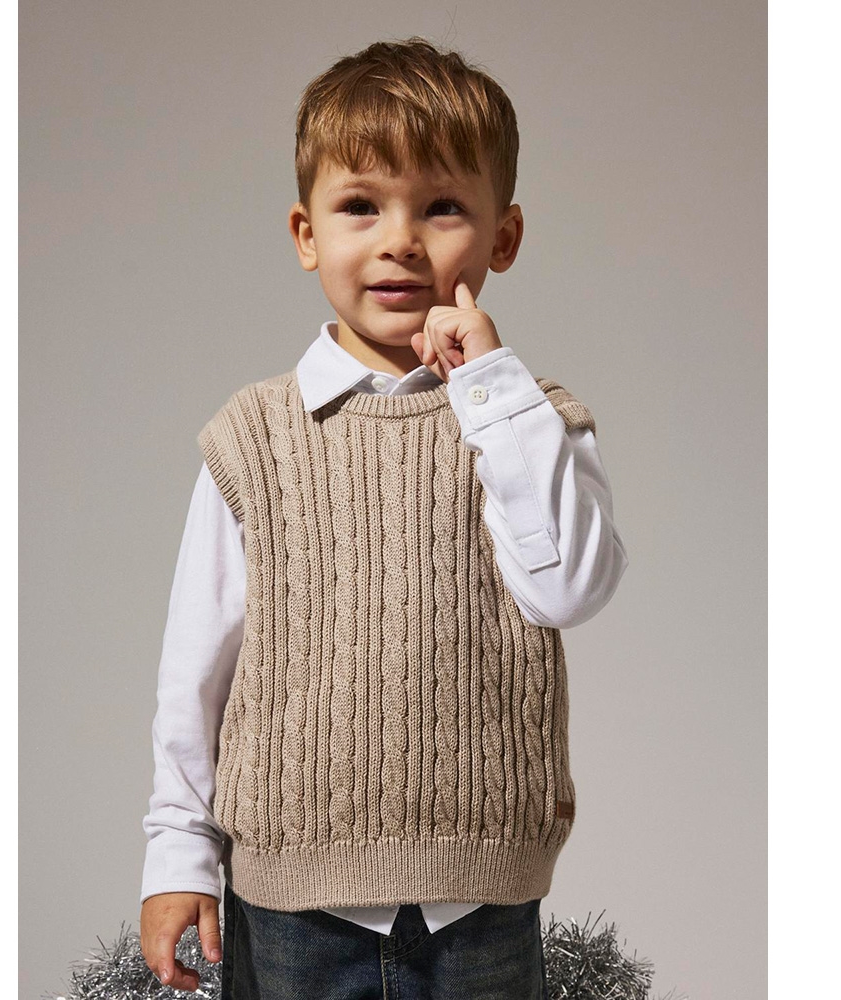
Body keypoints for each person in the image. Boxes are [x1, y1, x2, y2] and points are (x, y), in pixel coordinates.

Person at [139, 36, 628, 1000]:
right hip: (291, 910)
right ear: (306, 234)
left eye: (442, 207)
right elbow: (196, 669)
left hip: (483, 905)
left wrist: (492, 387)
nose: (400, 239)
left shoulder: (530, 418)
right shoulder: (255, 437)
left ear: (503, 238)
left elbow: (570, 587)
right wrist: (178, 853)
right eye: (361, 206)